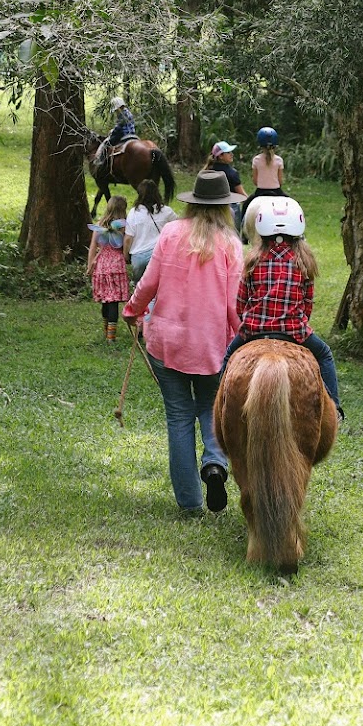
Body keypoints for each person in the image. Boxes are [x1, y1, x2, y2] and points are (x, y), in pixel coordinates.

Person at [123, 169, 243, 517]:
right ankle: (215, 464)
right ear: (225, 207)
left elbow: (149, 282)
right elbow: (235, 305)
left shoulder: (172, 232)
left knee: (178, 417)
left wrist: (132, 311)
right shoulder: (231, 244)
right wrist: (244, 340)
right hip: (212, 347)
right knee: (211, 410)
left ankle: (189, 504)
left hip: (167, 342)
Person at [221, 194, 342, 413]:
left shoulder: (252, 259)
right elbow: (307, 306)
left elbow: (240, 305)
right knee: (324, 355)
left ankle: (220, 408)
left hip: (253, 331)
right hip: (294, 332)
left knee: (229, 356)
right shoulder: (304, 261)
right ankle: (334, 409)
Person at [86, 195, 129, 342]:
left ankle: (106, 331)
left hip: (102, 265)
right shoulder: (124, 226)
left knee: (105, 299)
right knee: (114, 300)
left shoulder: (99, 224)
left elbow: (92, 247)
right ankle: (111, 337)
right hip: (116, 264)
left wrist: (90, 265)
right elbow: (125, 246)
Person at [124, 180, 177, 281]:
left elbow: (128, 238)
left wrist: (125, 255)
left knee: (139, 290)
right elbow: (179, 227)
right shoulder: (166, 211)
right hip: (160, 255)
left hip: (139, 258)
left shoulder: (134, 212)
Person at [241, 124, 285, 221]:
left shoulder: (256, 160)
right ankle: (298, 234)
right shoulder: (279, 160)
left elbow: (255, 181)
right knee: (294, 205)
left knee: (245, 207)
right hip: (276, 191)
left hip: (260, 191)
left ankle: (242, 230)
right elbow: (280, 181)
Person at [205, 140, 247, 229]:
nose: (232, 154)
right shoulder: (232, 173)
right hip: (229, 208)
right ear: (220, 156)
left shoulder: (207, 171)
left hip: (210, 207)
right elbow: (241, 194)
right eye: (228, 152)